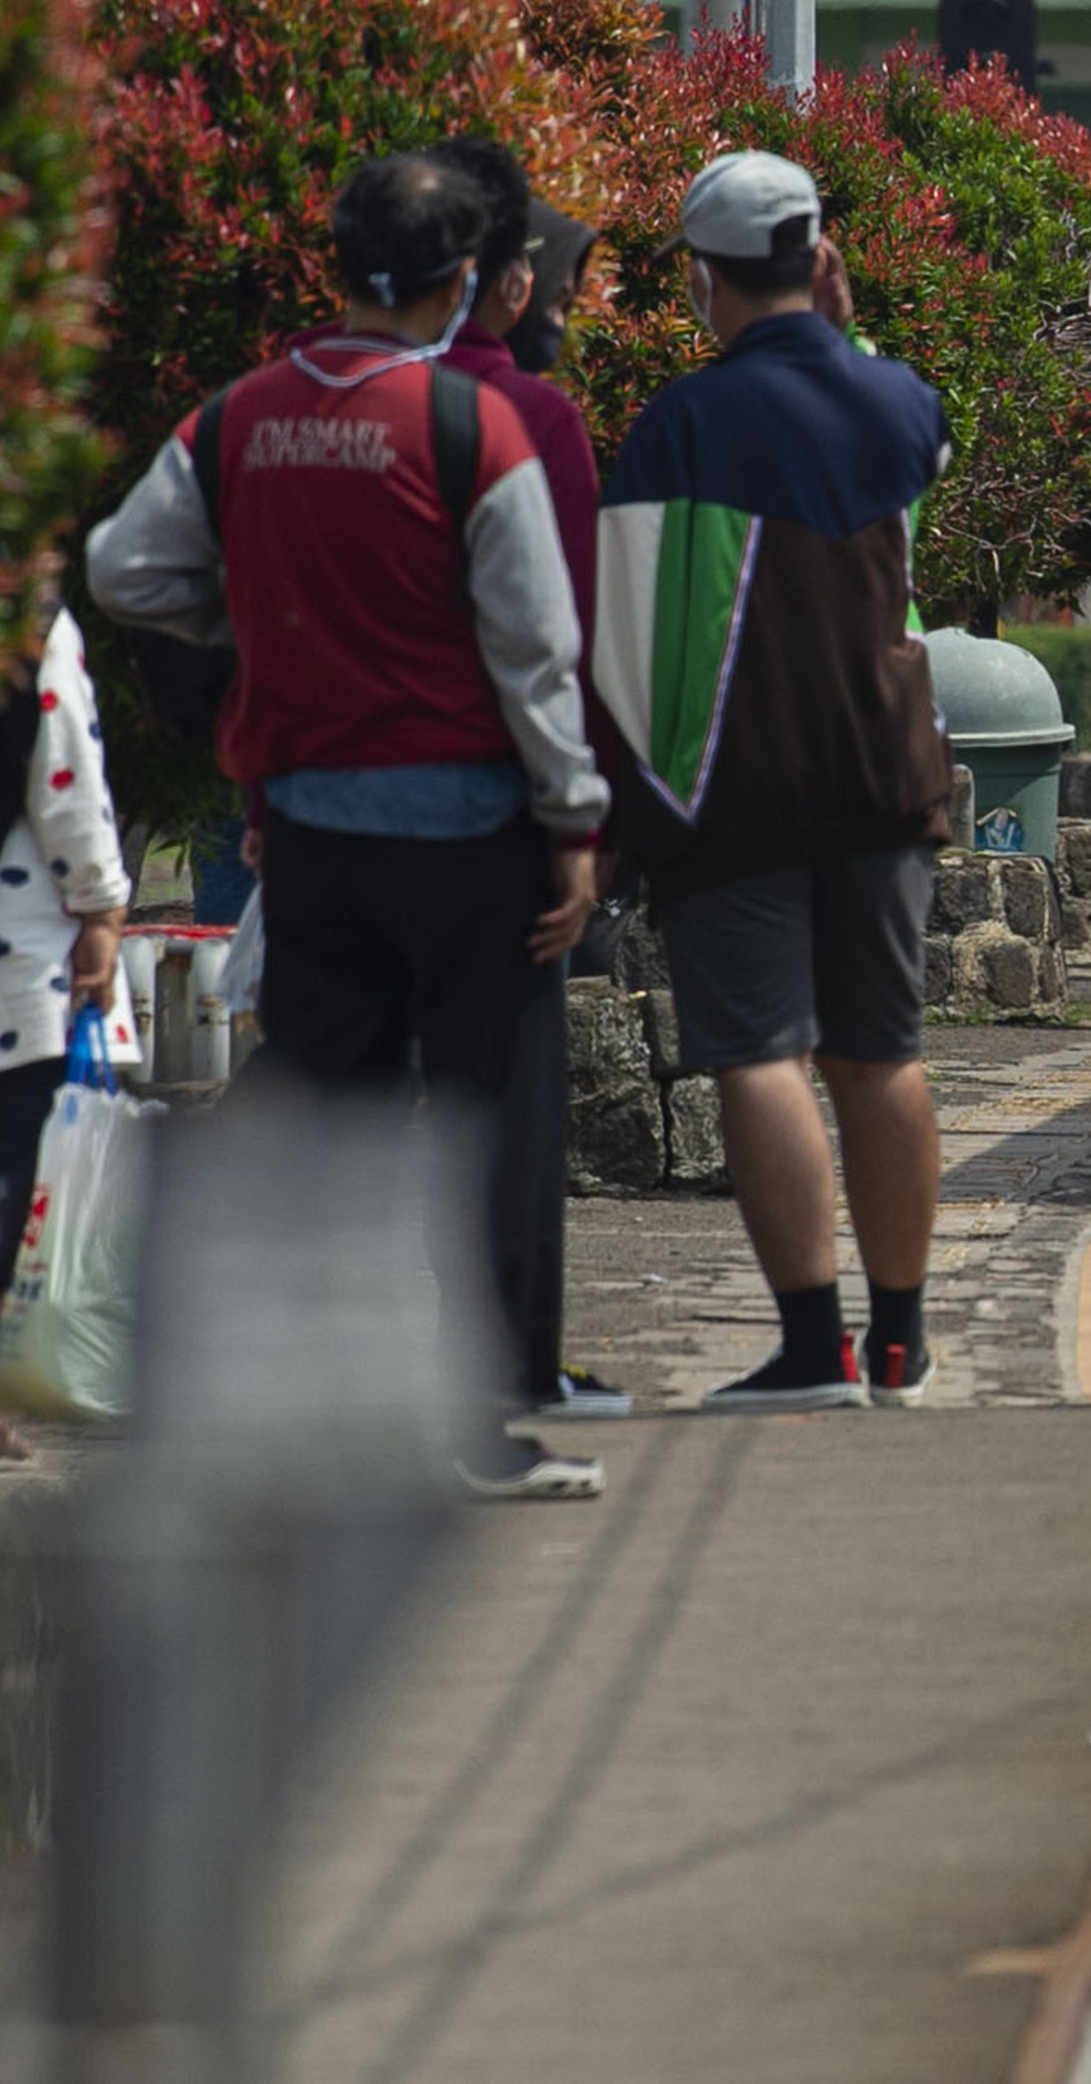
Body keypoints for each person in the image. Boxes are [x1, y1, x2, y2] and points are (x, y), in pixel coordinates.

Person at [84, 150, 610, 1501]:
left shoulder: (238, 421)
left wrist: (247, 620)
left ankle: (305, 1407)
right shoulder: (467, 428)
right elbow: (536, 650)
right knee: (480, 1121)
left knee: (333, 1113)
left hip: (312, 830)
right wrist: (573, 819)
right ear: (456, 282)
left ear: (333, 264)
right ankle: (478, 1426)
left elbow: (122, 566)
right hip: (470, 827)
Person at [592, 151, 956, 1412]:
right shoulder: (901, 401)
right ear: (820, 257)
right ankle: (901, 1338)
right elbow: (914, 462)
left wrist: (614, 802)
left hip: (728, 789)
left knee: (760, 1054)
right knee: (882, 1052)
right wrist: (848, 341)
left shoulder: (677, 423)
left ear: (700, 280)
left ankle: (813, 1352)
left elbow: (626, 626)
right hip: (883, 771)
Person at [434, 136, 629, 1425]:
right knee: (506, 1106)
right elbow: (558, 636)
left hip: (326, 810)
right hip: (496, 809)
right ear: (502, 282)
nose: (563, 303)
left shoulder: (288, 405)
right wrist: (584, 815)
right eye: (556, 279)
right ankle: (510, 1373)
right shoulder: (528, 417)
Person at [0, 610, 130, 1464]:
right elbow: (65, 772)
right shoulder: (12, 609)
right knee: (7, 1157)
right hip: (1, 933)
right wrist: (103, 901)